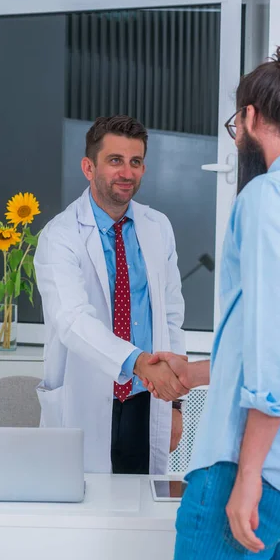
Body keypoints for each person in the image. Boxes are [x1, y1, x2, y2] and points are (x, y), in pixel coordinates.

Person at [164, 39, 280, 560]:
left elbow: (278, 343)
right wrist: (199, 372)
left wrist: (250, 472)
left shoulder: (269, 197)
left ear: (252, 118)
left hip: (258, 468)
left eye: (236, 127)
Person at [34, 115, 192, 475]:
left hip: (146, 398)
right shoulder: (60, 236)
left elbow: (171, 317)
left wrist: (176, 406)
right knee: (82, 513)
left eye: (135, 162)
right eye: (115, 160)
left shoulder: (158, 228)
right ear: (88, 167)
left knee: (139, 514)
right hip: (85, 395)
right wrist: (134, 360)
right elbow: (72, 320)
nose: (127, 172)